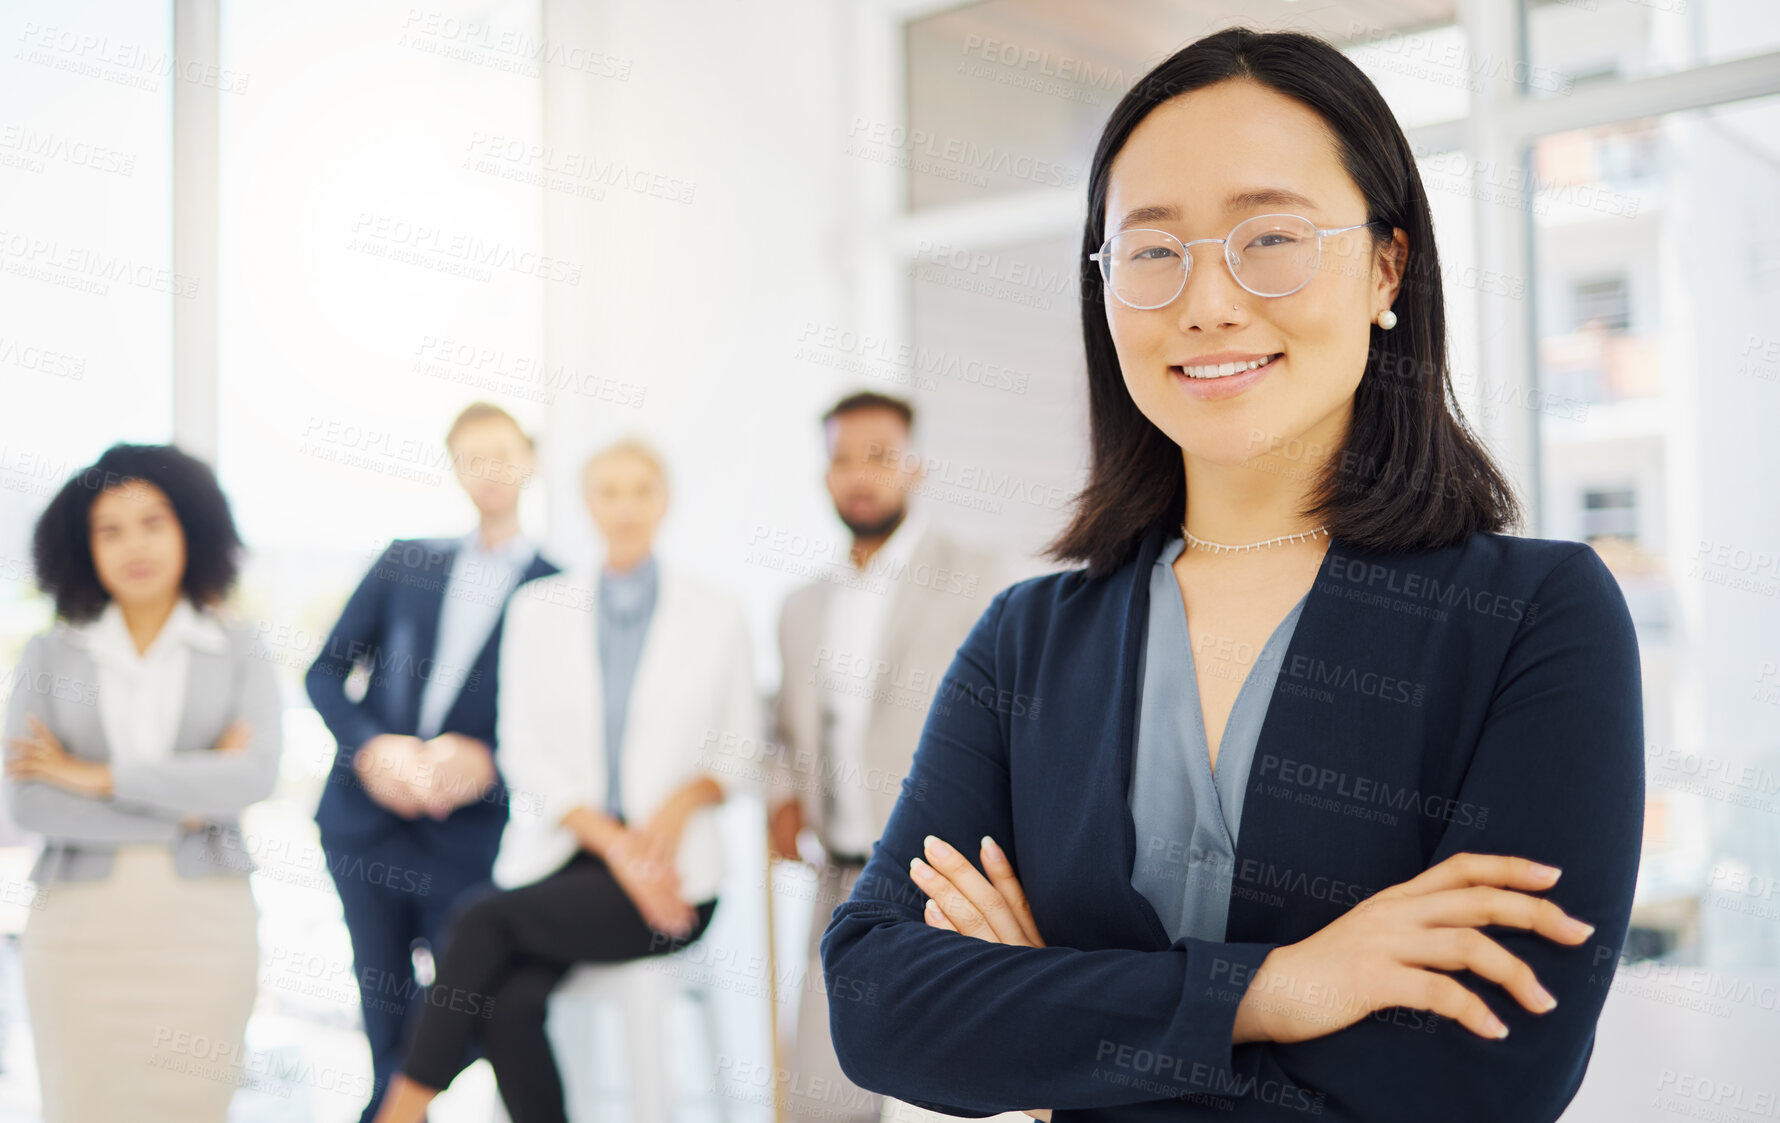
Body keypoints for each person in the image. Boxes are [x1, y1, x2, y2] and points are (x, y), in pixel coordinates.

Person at [821, 27, 1644, 1123]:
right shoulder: (1027, 637)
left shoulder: (1533, 618)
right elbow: (877, 1001)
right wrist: (1283, 986)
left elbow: (1475, 1079)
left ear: (1388, 265)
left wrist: (1049, 1039)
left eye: (1270, 237)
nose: (1207, 301)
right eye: (1152, 251)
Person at [371, 439, 762, 1123]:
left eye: (642, 489)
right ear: (587, 504)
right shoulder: (539, 607)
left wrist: (664, 824)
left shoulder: (718, 613)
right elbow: (524, 750)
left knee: (479, 920)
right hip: (566, 860)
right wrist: (616, 847)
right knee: (507, 1002)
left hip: (675, 880)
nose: (626, 506)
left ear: (665, 501)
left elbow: (740, 751)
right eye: (609, 491)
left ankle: (400, 1108)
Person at [3, 444, 282, 1122]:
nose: (135, 544)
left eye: (153, 521)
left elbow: (253, 775)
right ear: (82, 545)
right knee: (80, 1100)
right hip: (78, 930)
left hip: (206, 924)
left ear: (191, 528)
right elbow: (29, 798)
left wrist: (98, 778)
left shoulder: (239, 647)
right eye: (111, 528)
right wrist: (188, 801)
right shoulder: (50, 651)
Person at [305, 402, 559, 1121]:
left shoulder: (559, 586)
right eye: (472, 455)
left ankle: (386, 1110)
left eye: (503, 452)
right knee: (380, 996)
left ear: (530, 459)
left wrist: (492, 761)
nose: (490, 469)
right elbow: (325, 670)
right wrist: (373, 746)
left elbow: (562, 727)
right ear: (455, 468)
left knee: (464, 996)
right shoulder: (404, 559)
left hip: (466, 834)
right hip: (365, 823)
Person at [767, 391, 1010, 1123]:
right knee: (819, 1088)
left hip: (945, 880)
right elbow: (783, 721)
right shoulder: (802, 604)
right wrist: (784, 793)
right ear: (824, 475)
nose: (859, 475)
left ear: (915, 466)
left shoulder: (981, 575)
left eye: (879, 456)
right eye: (842, 459)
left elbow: (1019, 717)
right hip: (841, 877)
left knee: (939, 1097)